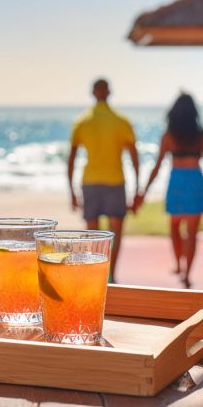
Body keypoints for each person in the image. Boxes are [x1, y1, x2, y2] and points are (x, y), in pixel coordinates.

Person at [135, 93, 203, 289]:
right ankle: (187, 273)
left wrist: (144, 191)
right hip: (196, 181)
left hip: (177, 182)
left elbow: (157, 166)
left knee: (174, 228)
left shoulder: (169, 136)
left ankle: (179, 265)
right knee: (192, 233)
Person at [67, 78, 140, 281]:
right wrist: (138, 190)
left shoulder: (82, 122)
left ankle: (97, 277)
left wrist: (72, 192)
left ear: (93, 93)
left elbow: (71, 160)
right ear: (109, 92)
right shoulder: (121, 121)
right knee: (115, 233)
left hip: (90, 182)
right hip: (115, 181)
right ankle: (112, 276)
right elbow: (135, 158)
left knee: (93, 236)